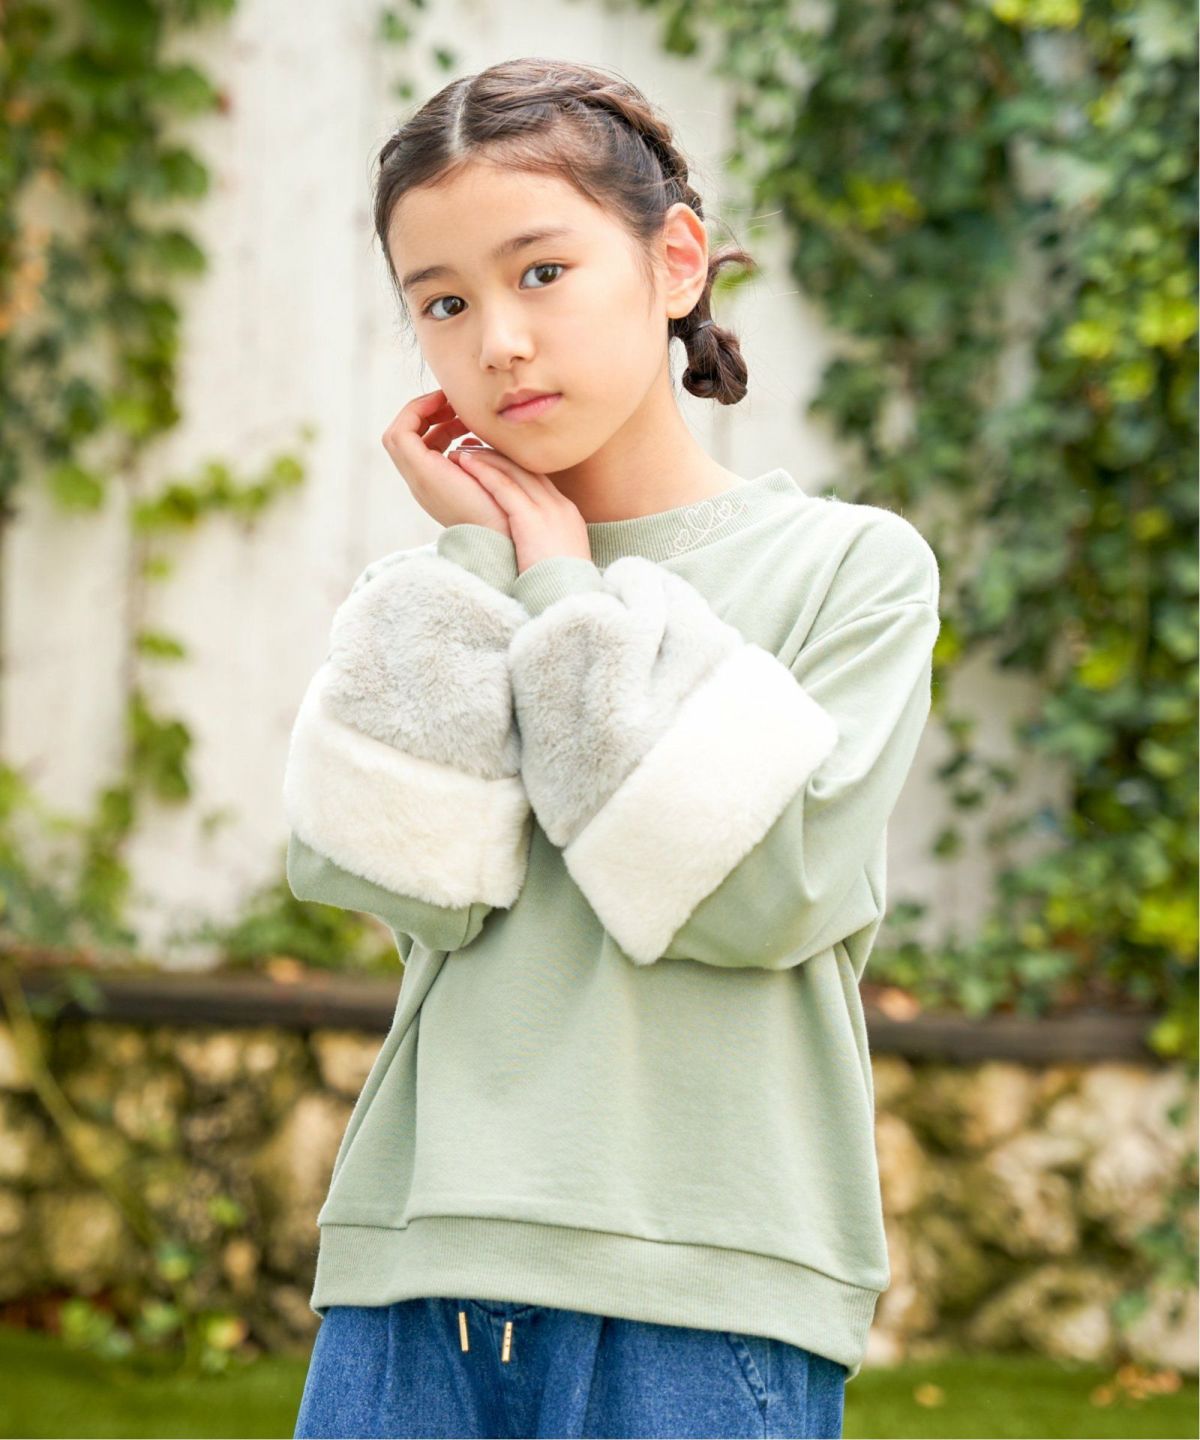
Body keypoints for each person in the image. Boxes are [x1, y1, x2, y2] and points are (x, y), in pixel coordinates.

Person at [285, 55, 941, 1440]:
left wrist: (564, 589)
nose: (498, 342)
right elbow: (398, 878)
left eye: (542, 273)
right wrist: (490, 558)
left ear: (676, 262)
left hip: (708, 1289)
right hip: (419, 1271)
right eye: (443, 304)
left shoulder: (850, 570)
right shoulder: (432, 594)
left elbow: (763, 892)